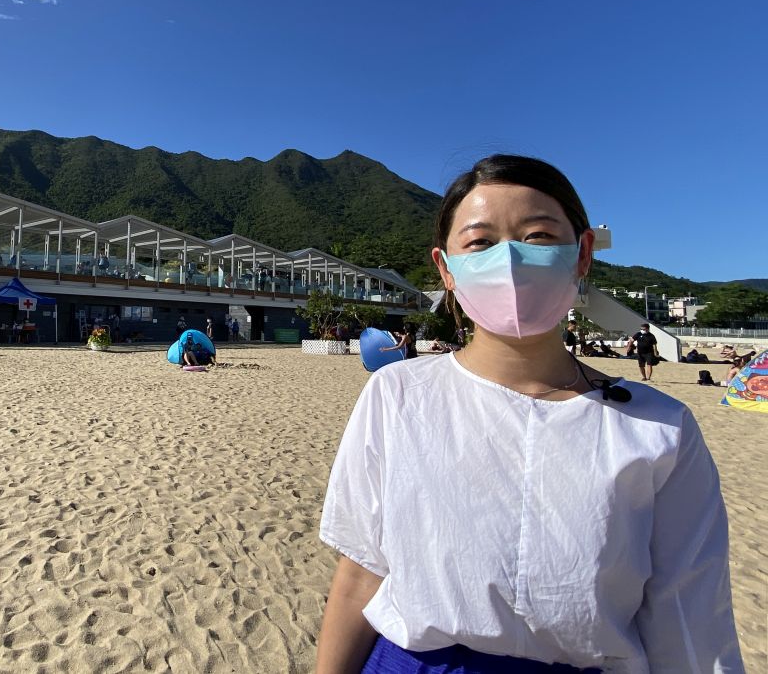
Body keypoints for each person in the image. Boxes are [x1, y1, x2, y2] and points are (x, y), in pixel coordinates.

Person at [316, 154, 742, 673]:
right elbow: (361, 573)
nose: (510, 259)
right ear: (445, 269)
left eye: (538, 235)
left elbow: (688, 618)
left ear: (582, 252)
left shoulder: (660, 428)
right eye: (480, 242)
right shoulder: (398, 394)